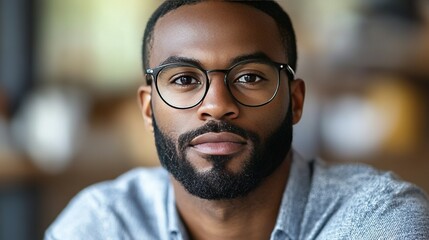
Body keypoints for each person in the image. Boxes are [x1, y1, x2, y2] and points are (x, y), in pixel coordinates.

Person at [45, 0, 429, 239]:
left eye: (249, 77)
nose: (216, 105)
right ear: (148, 109)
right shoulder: (104, 224)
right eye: (184, 79)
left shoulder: (377, 219)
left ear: (295, 101)